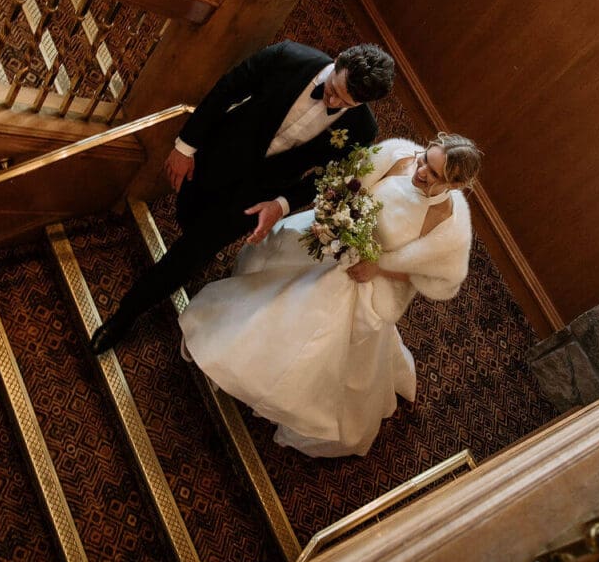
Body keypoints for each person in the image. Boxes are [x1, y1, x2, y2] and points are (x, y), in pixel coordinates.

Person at [178, 133, 482, 458]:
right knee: (274, 277)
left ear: (454, 184)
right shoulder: (399, 156)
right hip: (331, 240)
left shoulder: (446, 223)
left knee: (312, 328)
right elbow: (351, 182)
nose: (420, 170)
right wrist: (335, 212)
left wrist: (379, 266)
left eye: (434, 174)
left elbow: (432, 278)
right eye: (425, 159)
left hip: (365, 277)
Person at [91, 39, 395, 354]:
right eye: (333, 89)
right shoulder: (288, 56)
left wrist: (281, 205)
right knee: (188, 212)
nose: (332, 101)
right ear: (338, 59)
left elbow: (325, 178)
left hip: (260, 193)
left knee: (190, 254)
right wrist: (185, 147)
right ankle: (192, 237)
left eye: (345, 102)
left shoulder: (363, 129)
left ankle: (124, 316)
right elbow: (227, 90)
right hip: (220, 154)